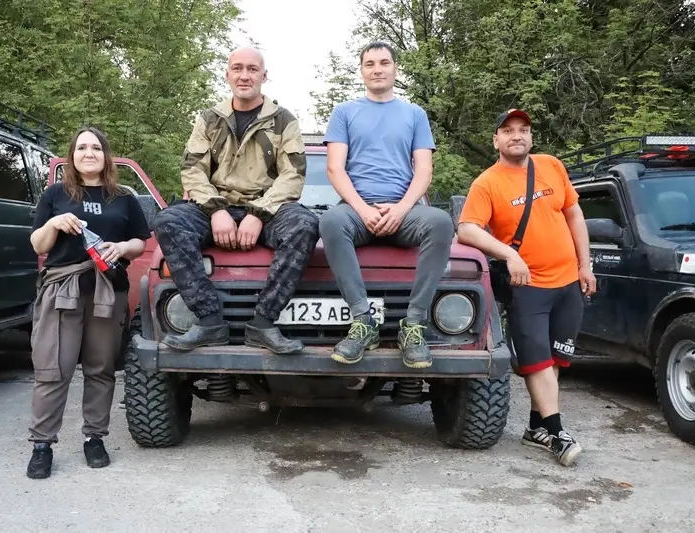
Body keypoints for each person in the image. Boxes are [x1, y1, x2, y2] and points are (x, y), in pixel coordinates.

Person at [152, 47, 319, 354]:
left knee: (306, 224)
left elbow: (292, 175)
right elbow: (192, 170)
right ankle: (209, 321)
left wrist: (259, 213)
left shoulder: (285, 122)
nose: (245, 76)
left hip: (269, 210)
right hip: (215, 207)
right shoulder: (208, 119)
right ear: (227, 74)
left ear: (264, 76)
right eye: (238, 68)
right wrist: (216, 211)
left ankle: (264, 323)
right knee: (167, 221)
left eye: (252, 69)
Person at [456, 109, 597, 467]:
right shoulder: (486, 183)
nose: (516, 135)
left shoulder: (551, 165)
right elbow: (467, 229)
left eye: (522, 130)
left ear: (530, 137)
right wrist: (508, 255)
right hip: (527, 286)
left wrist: (585, 265)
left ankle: (536, 427)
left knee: (555, 358)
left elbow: (573, 213)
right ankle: (558, 433)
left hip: (568, 282)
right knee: (536, 362)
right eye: (507, 130)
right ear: (496, 140)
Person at [319, 41, 454, 369]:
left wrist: (401, 209)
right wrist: (363, 210)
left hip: (404, 211)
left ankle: (414, 325)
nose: (377, 69)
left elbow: (424, 169)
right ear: (362, 71)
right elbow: (335, 168)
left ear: (395, 68)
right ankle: (363, 322)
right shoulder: (345, 112)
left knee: (440, 222)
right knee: (331, 222)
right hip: (357, 211)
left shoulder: (414, 114)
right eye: (369, 64)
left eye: (384, 62)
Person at [26, 126, 151, 479]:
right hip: (62, 289)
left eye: (96, 147)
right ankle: (41, 445)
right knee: (54, 369)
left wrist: (123, 248)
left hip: (109, 290)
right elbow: (38, 244)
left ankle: (94, 439)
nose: (89, 153)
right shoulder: (54, 194)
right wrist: (54, 222)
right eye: (81, 147)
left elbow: (141, 241)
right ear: (72, 156)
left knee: (101, 369)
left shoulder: (123, 197)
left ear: (105, 156)